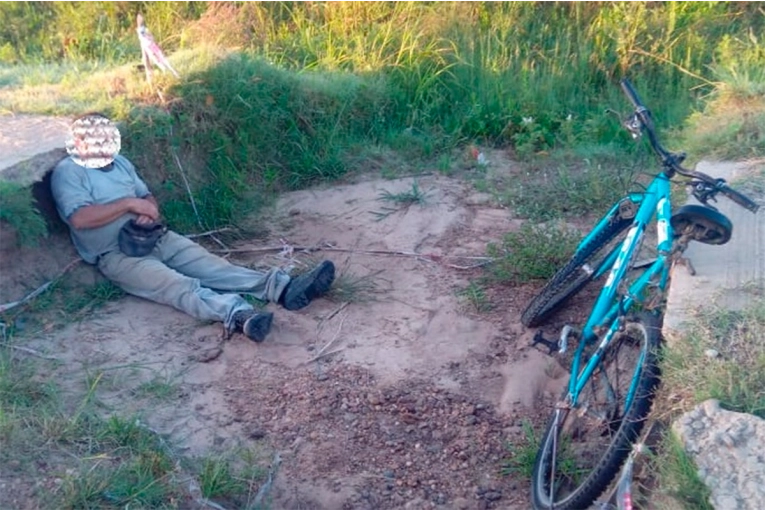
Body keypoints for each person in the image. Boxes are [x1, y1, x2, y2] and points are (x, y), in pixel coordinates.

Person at [50, 112, 335, 342]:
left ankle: (285, 289)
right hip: (116, 254)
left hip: (152, 236)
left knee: (213, 267)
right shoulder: (69, 172)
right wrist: (129, 205)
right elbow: (80, 218)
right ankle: (239, 316)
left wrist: (148, 211)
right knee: (177, 286)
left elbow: (146, 196)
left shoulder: (121, 163)